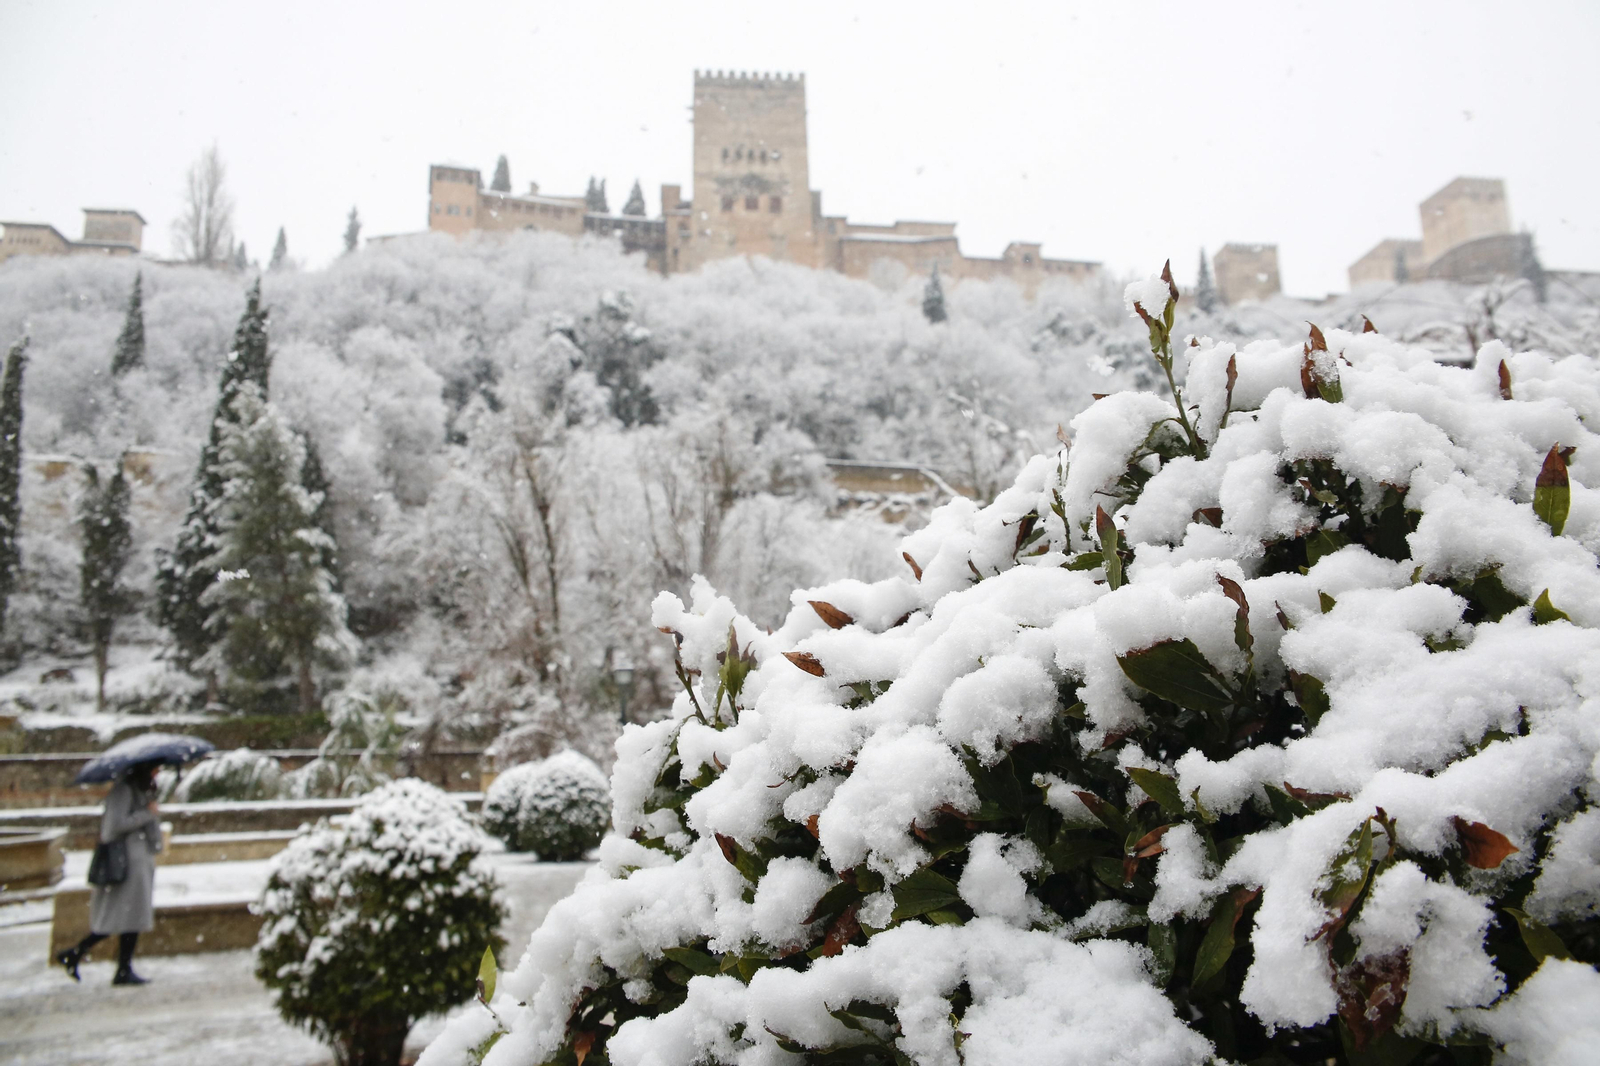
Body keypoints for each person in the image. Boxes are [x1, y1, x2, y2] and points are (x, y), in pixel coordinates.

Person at [55, 759, 164, 985]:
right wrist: (147, 813)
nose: (158, 772)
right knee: (123, 916)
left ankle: (117, 966)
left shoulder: (138, 788)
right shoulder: (123, 790)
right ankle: (78, 954)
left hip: (138, 860)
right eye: (155, 767)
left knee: (131, 918)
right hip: (128, 862)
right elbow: (113, 827)